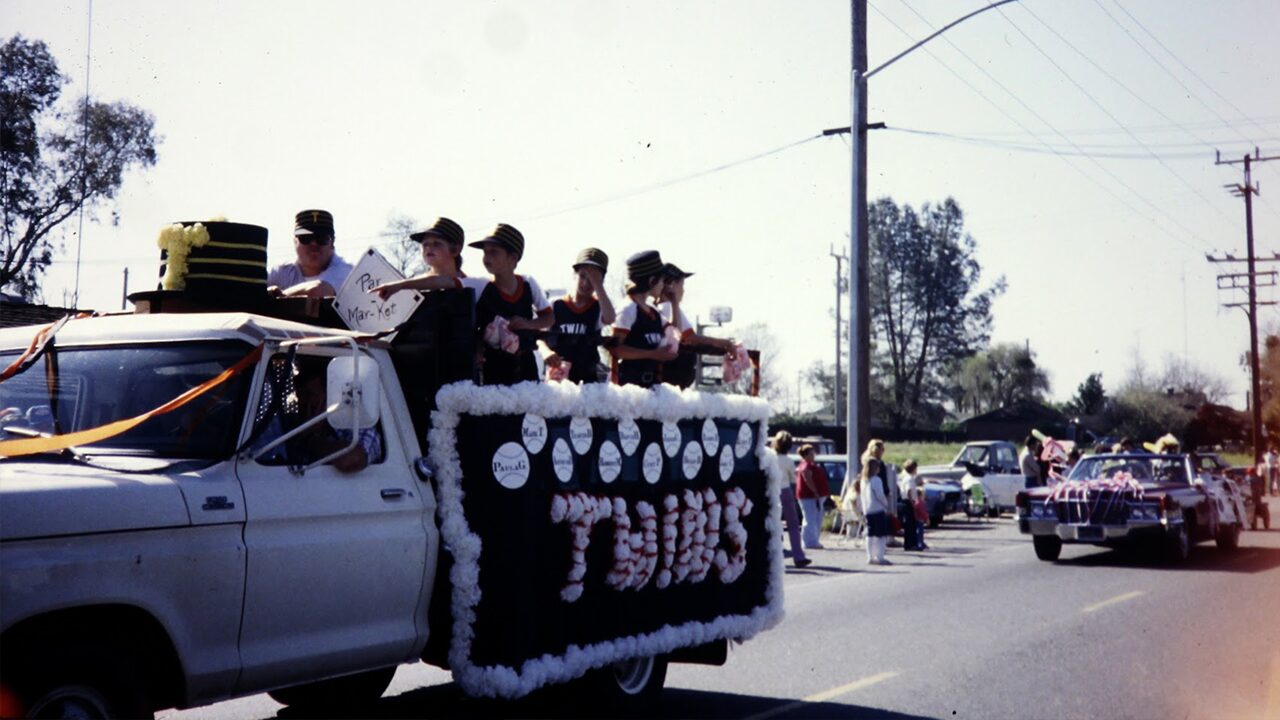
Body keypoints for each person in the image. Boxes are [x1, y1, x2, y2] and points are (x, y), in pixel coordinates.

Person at [468, 223, 554, 385]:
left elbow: (549, 318)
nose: (487, 258)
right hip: (493, 367)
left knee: (528, 399)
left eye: (494, 252)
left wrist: (528, 324)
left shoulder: (528, 283)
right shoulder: (481, 286)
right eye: (485, 252)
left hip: (525, 365)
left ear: (513, 258)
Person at [539, 248, 616, 384]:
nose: (586, 283)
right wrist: (546, 352)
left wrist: (598, 285)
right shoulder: (555, 305)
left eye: (592, 279)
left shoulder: (599, 308)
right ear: (575, 275)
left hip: (587, 381)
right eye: (582, 276)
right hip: (558, 378)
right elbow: (539, 338)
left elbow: (610, 318)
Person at [656, 263, 734, 389]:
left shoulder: (656, 309)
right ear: (672, 285)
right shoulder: (668, 307)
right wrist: (724, 343)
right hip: (671, 377)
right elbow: (690, 338)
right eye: (682, 285)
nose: (683, 290)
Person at [609, 251, 678, 388]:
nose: (663, 285)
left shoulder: (653, 312)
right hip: (628, 389)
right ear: (652, 281)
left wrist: (674, 303)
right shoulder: (628, 309)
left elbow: (674, 333)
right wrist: (653, 354)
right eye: (662, 280)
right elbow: (616, 348)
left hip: (650, 386)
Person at [372, 217, 487, 298]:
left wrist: (400, 285)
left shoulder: (474, 284)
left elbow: (442, 281)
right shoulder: (413, 287)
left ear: (455, 250)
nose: (429, 248)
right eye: (425, 244)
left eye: (437, 244)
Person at [268, 209, 354, 298]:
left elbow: (317, 290)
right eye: (305, 238)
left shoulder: (347, 273)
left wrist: (274, 296)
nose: (314, 244)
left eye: (321, 238)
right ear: (295, 241)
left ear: (332, 242)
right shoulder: (280, 272)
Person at [771, 433, 812, 568]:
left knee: (775, 523)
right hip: (785, 490)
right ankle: (798, 556)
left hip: (772, 491)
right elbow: (794, 479)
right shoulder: (788, 460)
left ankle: (776, 553)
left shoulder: (770, 458)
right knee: (793, 525)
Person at [859, 439, 893, 565]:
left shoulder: (863, 481)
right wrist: (886, 504)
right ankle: (880, 556)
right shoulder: (876, 480)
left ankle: (870, 556)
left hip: (867, 510)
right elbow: (880, 495)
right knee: (881, 534)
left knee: (870, 534)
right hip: (878, 509)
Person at [794, 444, 830, 550]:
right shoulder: (806, 466)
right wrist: (815, 491)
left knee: (815, 519)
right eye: (811, 454)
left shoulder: (809, 465)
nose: (813, 455)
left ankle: (814, 540)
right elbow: (807, 478)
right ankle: (809, 542)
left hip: (813, 497)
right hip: (809, 496)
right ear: (805, 455)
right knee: (810, 519)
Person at [899, 458, 927, 551]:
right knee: (910, 525)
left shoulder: (906, 478)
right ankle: (910, 544)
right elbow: (909, 492)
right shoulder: (909, 479)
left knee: (910, 524)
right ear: (913, 469)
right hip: (908, 502)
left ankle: (910, 543)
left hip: (907, 502)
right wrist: (913, 503)